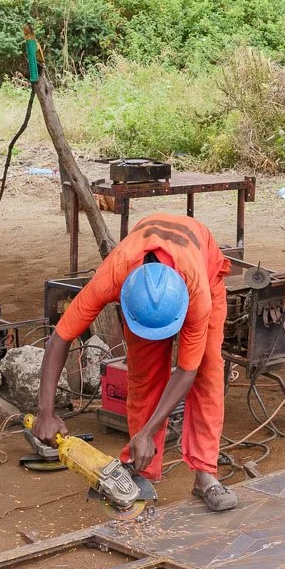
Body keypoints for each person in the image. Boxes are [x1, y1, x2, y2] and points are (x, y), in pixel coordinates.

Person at [32, 212, 239, 512]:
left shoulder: (196, 294)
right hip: (145, 268)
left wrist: (147, 431)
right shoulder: (115, 274)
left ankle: (205, 474)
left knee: (208, 371)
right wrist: (45, 411)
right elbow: (60, 338)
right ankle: (142, 470)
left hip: (202, 266)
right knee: (143, 376)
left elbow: (187, 371)